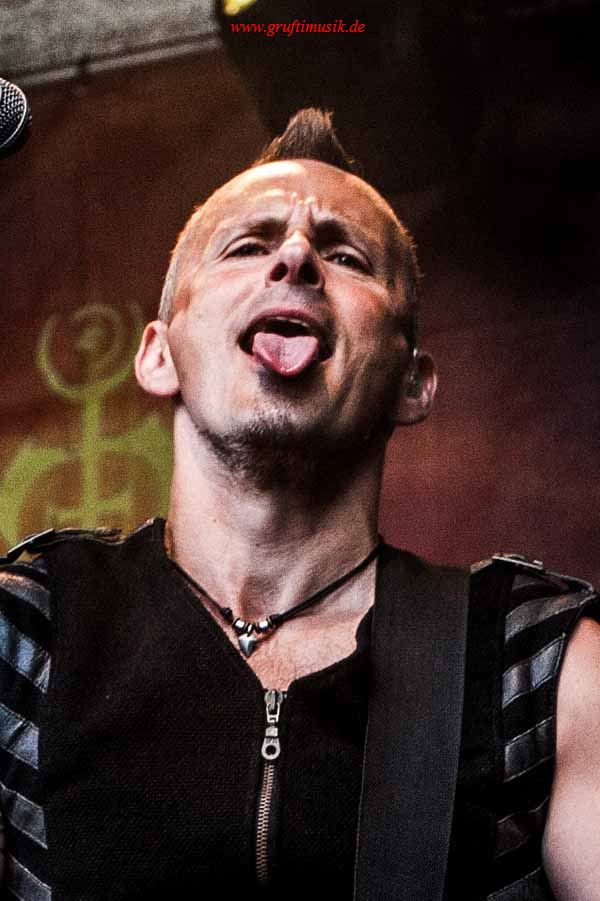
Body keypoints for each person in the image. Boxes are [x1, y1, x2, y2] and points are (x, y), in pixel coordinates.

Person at [0, 109, 598, 901]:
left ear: (412, 383)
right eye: (247, 246)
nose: (294, 258)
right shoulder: (27, 628)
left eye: (345, 256)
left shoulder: (540, 662)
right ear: (158, 354)